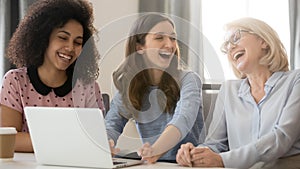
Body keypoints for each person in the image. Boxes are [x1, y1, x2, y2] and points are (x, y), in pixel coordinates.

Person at [176, 17, 300, 169]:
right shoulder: (228, 90)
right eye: (226, 46)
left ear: (264, 41)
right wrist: (196, 154)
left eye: (235, 38)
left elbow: (282, 137)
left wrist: (224, 160)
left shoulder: (295, 81)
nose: (230, 48)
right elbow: (215, 144)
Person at [0, 0, 105, 153]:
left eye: (78, 42)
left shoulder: (88, 87)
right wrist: (68, 141)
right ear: (43, 38)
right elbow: (8, 139)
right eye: (63, 37)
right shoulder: (15, 81)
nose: (70, 48)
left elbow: (96, 140)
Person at [105, 13, 204, 163]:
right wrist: (106, 143)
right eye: (159, 38)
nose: (170, 45)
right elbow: (112, 123)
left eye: (172, 38)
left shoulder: (189, 79)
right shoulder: (130, 84)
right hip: (154, 164)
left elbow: (182, 120)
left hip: (188, 164)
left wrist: (156, 149)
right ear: (139, 47)